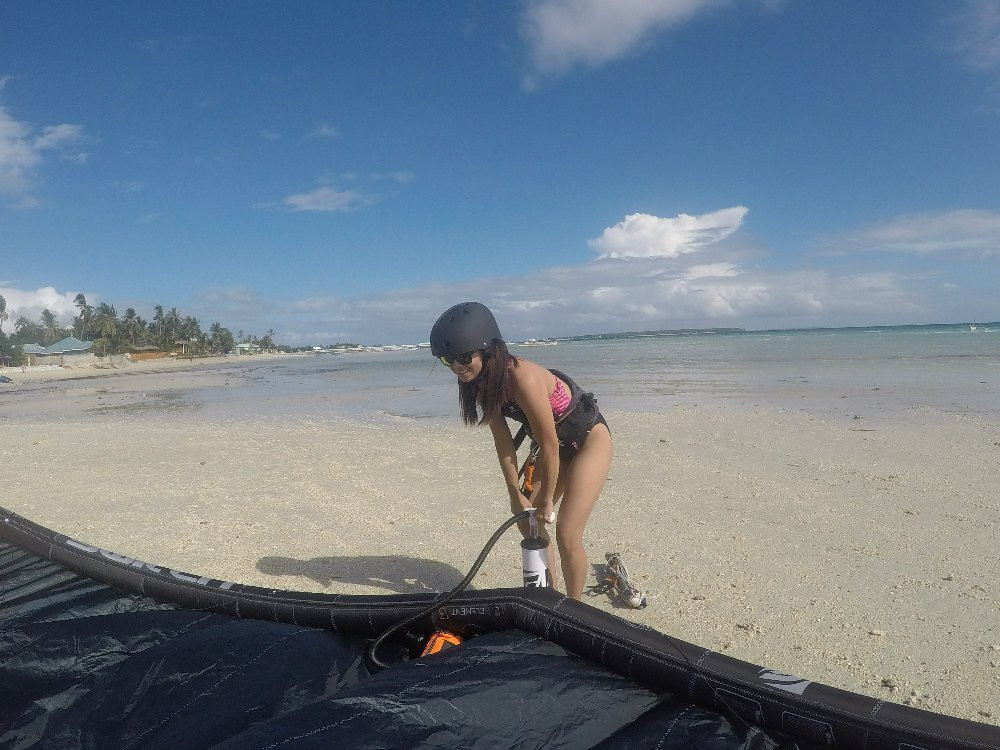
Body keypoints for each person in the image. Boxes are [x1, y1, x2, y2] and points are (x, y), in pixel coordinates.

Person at [430, 302, 612, 600]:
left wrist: (547, 503)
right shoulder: (478, 384)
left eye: (464, 357)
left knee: (566, 532)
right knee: (531, 525)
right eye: (448, 359)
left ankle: (577, 611)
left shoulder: (522, 377)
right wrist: (515, 493)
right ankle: (548, 600)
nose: (457, 367)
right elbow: (503, 444)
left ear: (489, 350)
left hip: (588, 442)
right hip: (551, 448)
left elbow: (550, 443)